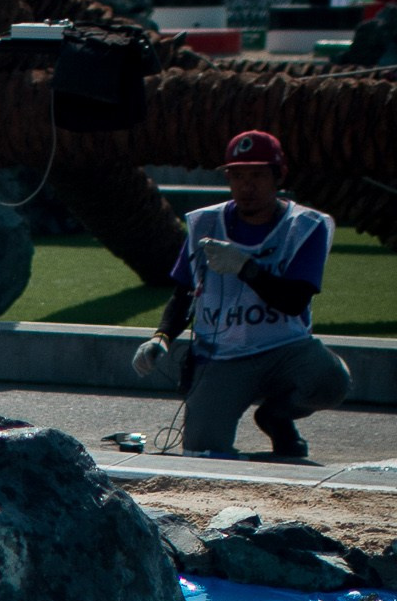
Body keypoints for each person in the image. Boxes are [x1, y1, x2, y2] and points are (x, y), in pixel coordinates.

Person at [132, 130, 350, 459]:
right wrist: (161, 338)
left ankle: (276, 417)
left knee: (331, 380)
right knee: (202, 449)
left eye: (258, 176)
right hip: (222, 357)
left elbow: (294, 301)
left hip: (284, 349)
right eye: (237, 176)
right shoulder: (206, 223)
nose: (247, 186)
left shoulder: (304, 225)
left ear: (279, 177)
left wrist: (247, 268)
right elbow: (184, 292)